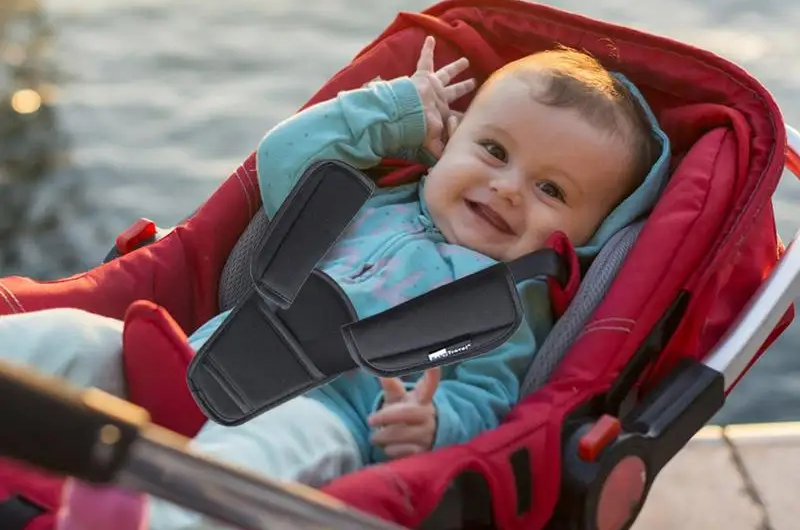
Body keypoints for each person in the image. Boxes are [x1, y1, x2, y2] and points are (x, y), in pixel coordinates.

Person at [2, 37, 670, 530]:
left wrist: (432, 423)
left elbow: (490, 400)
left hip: (328, 417)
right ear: (451, 139)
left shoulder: (499, 306)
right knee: (72, 339)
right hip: (199, 360)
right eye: (494, 151)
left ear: (580, 236)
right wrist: (398, 112)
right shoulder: (363, 198)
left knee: (250, 460)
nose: (506, 186)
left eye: (550, 189)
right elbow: (284, 158)